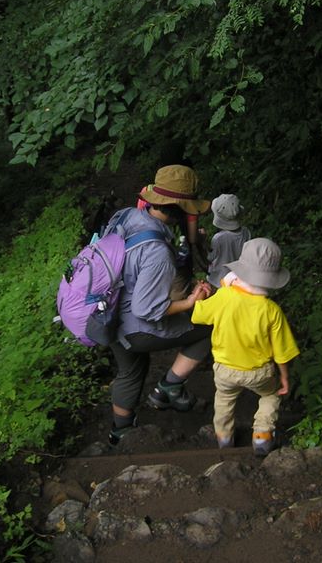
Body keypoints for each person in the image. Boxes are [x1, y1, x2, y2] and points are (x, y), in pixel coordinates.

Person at [108, 165, 214, 445]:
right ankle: (169, 387)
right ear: (181, 210)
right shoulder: (157, 251)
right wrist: (189, 302)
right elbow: (147, 309)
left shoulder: (130, 217)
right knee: (208, 328)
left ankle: (120, 433)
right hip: (136, 326)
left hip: (110, 316)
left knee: (131, 370)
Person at [191, 238, 300, 456]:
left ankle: (224, 438)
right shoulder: (271, 310)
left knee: (223, 400)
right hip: (259, 372)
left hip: (225, 369)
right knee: (270, 396)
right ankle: (262, 438)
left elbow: (198, 315)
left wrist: (200, 296)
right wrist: (285, 378)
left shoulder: (224, 296)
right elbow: (282, 352)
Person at [206, 194, 251, 289]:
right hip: (237, 279)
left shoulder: (218, 238)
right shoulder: (246, 232)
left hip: (218, 280)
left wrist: (202, 242)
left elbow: (210, 257)